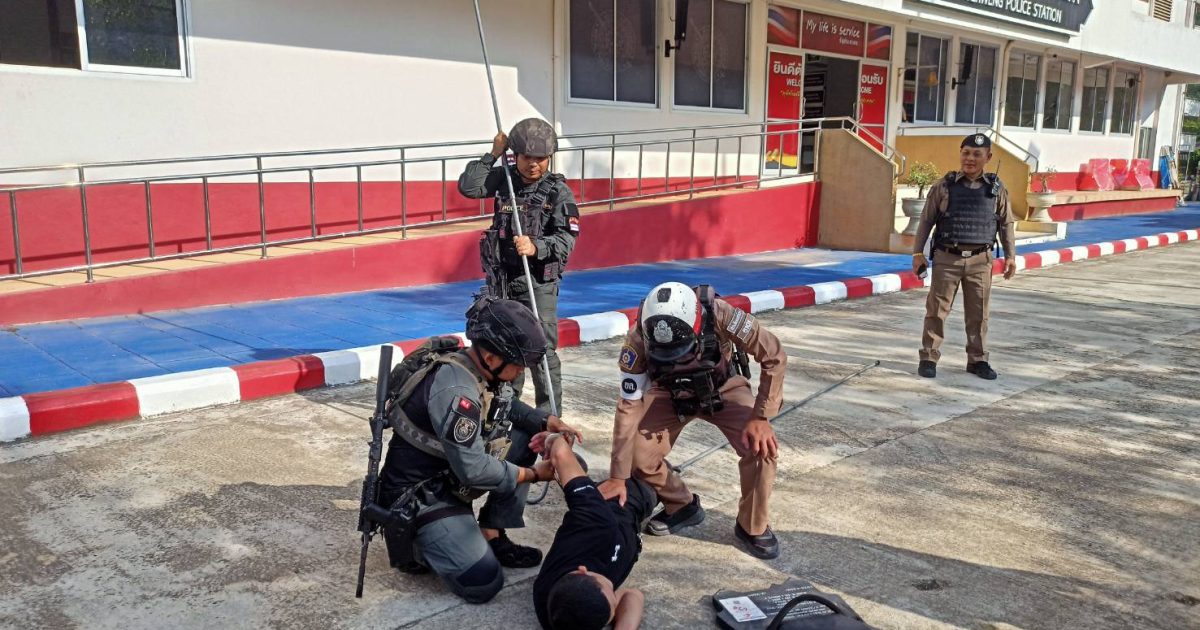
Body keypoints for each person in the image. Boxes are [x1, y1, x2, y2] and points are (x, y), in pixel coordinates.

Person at [376, 296, 582, 604]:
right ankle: (417, 543)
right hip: (420, 498)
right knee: (482, 582)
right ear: (491, 357)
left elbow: (504, 404)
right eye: (517, 365)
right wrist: (534, 474)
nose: (520, 371)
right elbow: (473, 469)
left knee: (528, 433)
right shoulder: (457, 390)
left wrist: (545, 420)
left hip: (448, 478)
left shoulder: (475, 367)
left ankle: (491, 533)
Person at [596, 282, 787, 559]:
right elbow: (629, 405)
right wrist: (618, 476)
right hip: (669, 392)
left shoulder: (722, 314)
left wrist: (761, 416)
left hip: (722, 387)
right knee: (636, 456)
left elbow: (774, 355)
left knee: (761, 448)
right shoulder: (637, 340)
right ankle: (681, 504)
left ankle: (752, 525)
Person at [459, 117, 580, 415]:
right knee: (504, 346)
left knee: (542, 350)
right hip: (502, 280)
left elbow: (566, 240)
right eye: (527, 157)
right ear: (515, 155)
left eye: (541, 158)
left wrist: (536, 247)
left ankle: (548, 416)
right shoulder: (505, 180)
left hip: (537, 283)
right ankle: (507, 410)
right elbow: (469, 187)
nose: (533, 164)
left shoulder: (558, 192)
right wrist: (492, 154)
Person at [911, 133, 1018, 381]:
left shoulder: (996, 189)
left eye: (976, 154)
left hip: (981, 260)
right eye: (966, 153)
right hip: (948, 258)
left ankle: (978, 360)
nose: (970, 158)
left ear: (988, 157)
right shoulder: (944, 186)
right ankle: (928, 357)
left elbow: (1006, 223)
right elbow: (926, 221)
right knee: (936, 311)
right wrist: (917, 253)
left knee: (978, 314)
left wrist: (1011, 256)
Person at [530, 432, 655, 630]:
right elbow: (633, 595)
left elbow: (560, 450)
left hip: (620, 502)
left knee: (651, 470)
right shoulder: (561, 616)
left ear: (582, 571)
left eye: (611, 593)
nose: (615, 591)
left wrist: (550, 439)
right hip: (630, 526)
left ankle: (580, 474)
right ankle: (581, 474)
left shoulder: (594, 523)